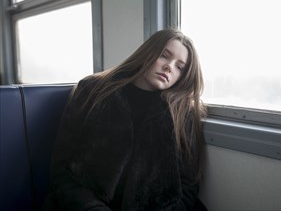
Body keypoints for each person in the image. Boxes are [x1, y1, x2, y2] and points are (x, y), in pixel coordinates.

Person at [43, 28, 207, 211]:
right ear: (147, 53)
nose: (169, 66)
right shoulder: (91, 91)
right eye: (164, 55)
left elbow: (188, 185)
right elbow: (61, 168)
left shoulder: (182, 114)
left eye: (179, 67)